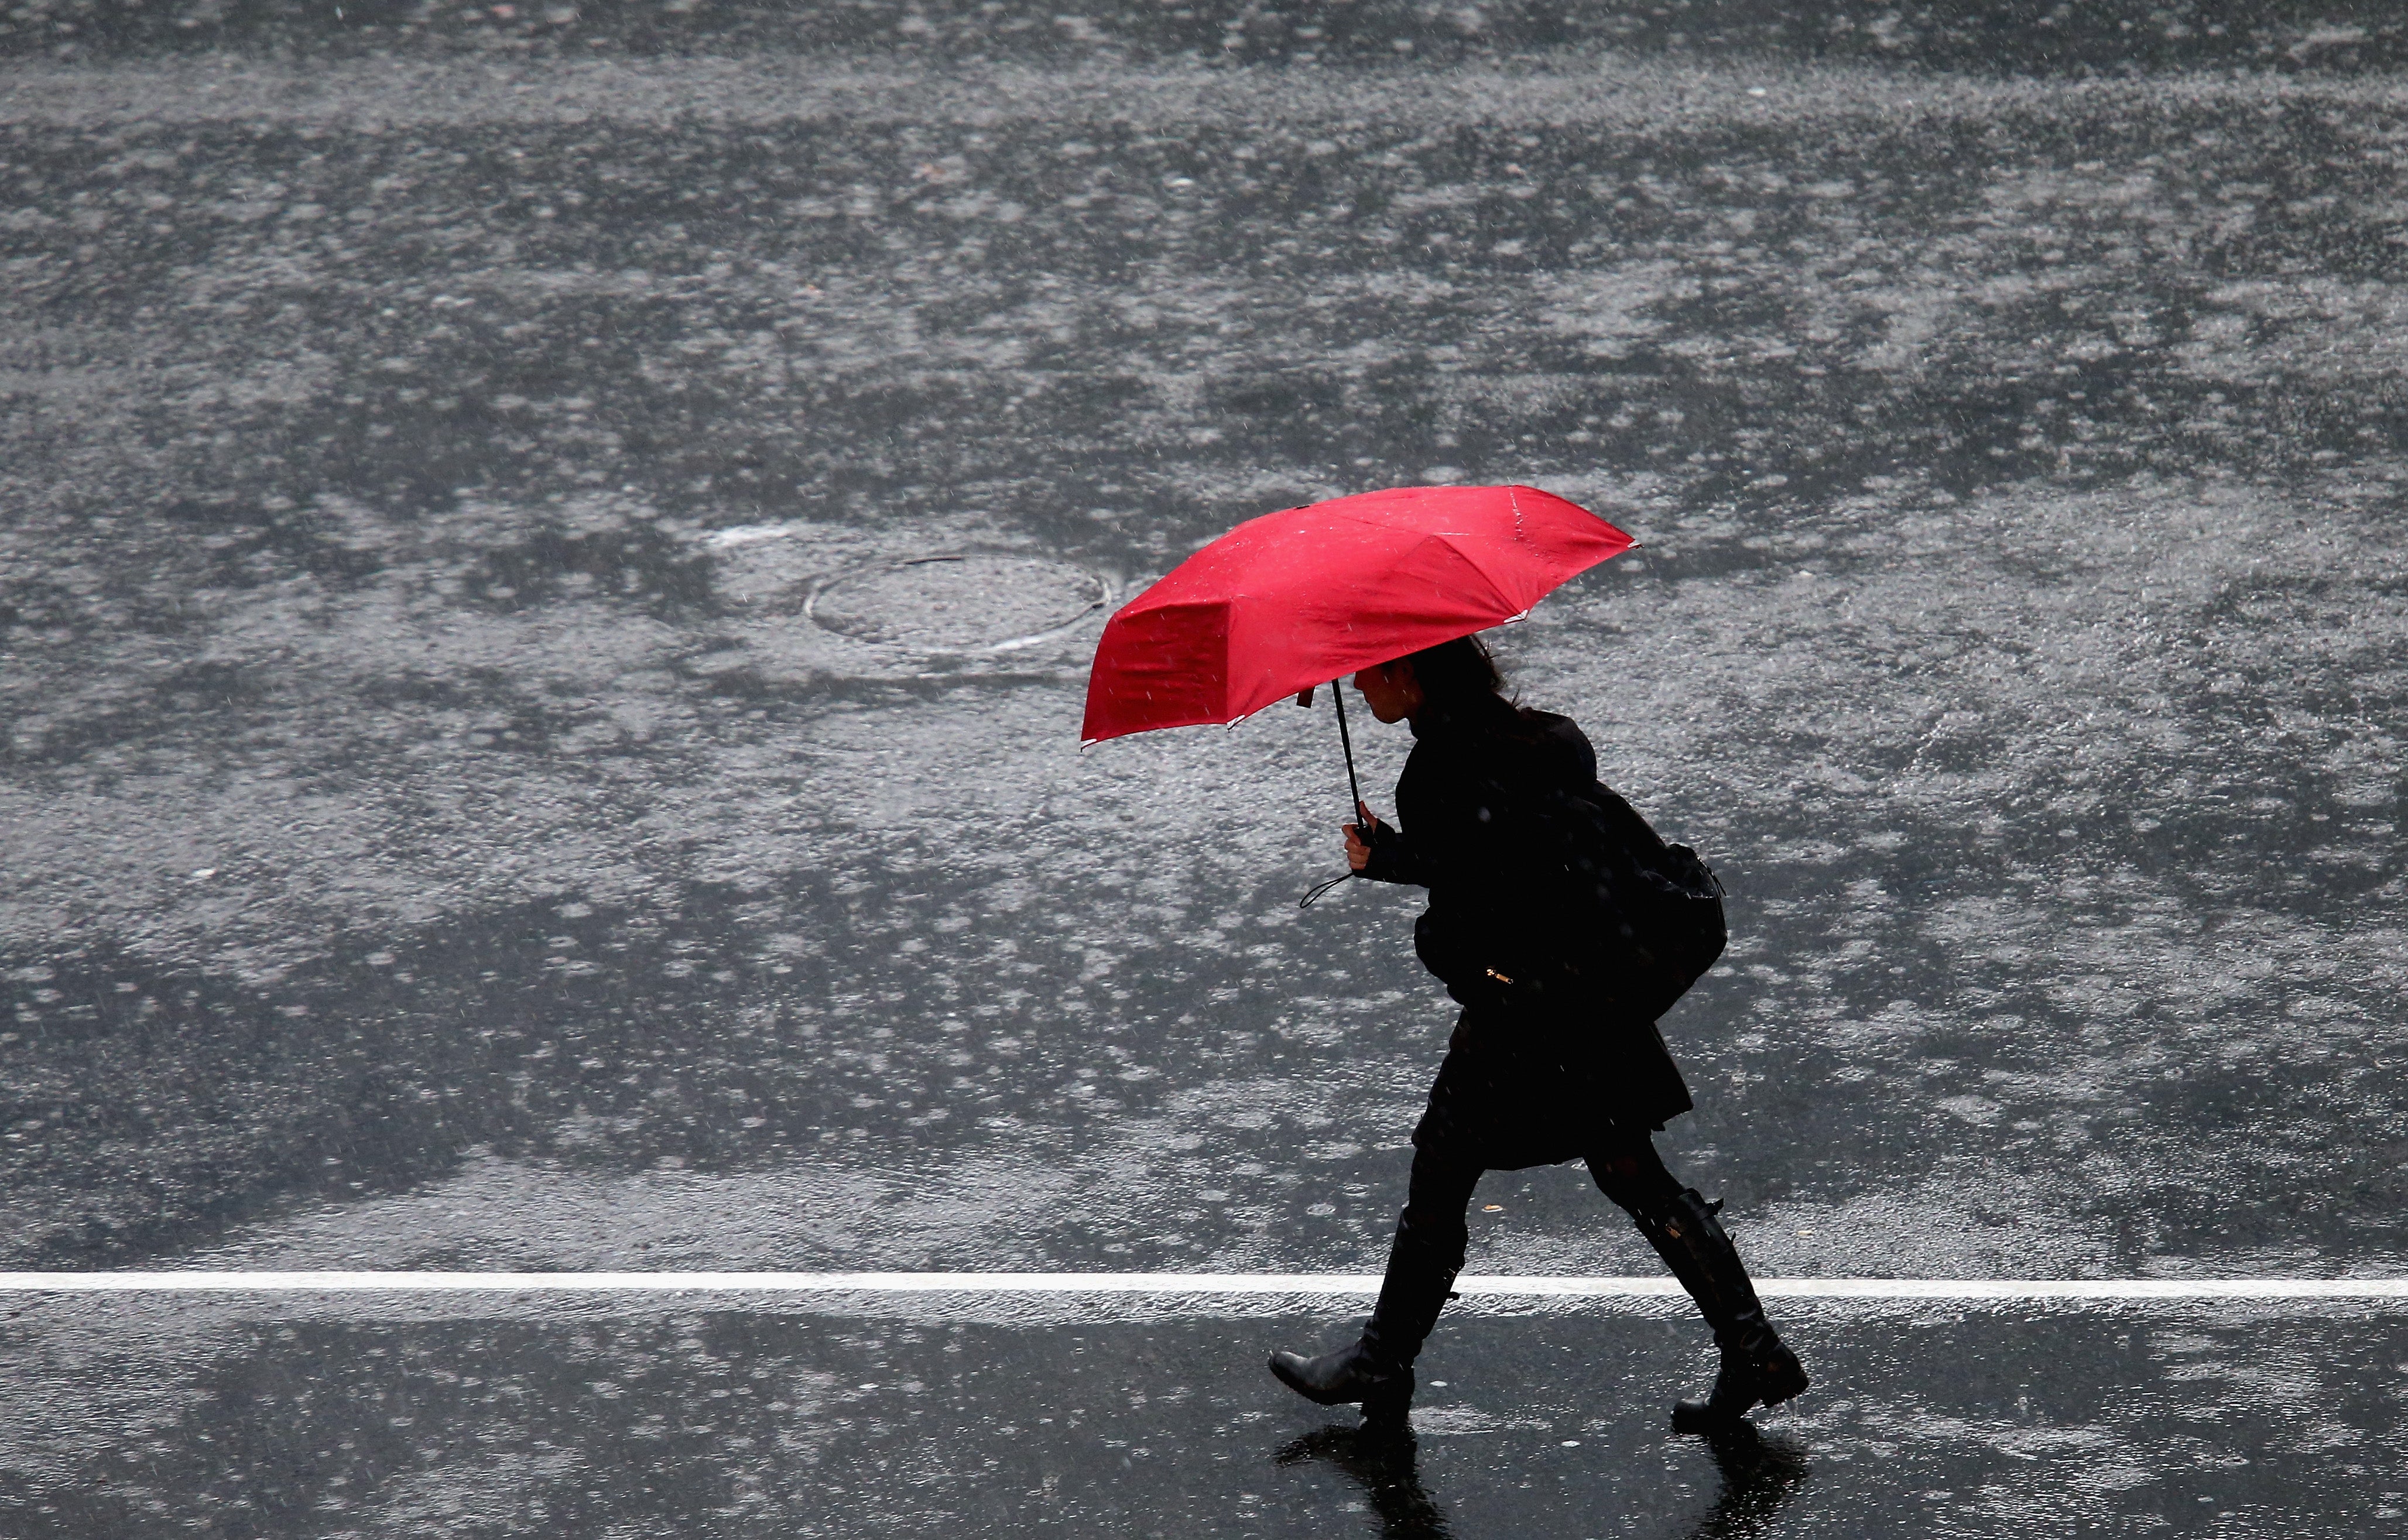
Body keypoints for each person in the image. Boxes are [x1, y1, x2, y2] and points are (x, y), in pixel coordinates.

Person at [1268, 634, 1808, 1432]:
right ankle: (1753, 1348)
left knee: (1441, 1173)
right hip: (1596, 990)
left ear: (1406, 670)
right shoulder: (1541, 738)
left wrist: (1431, 930)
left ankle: (1382, 1360)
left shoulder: (1436, 774)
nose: (1357, 681)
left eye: (1367, 666)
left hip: (1525, 1013)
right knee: (1631, 1172)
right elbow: (1515, 855)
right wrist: (1399, 859)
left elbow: (1474, 908)